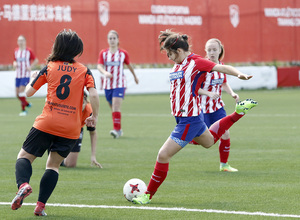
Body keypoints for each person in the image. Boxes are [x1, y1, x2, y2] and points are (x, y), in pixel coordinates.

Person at [132, 30, 257, 205]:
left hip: (189, 120)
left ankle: (147, 195)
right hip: (190, 119)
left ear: (179, 51)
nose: (169, 57)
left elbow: (221, 68)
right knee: (209, 142)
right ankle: (239, 112)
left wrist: (239, 74)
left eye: (170, 54)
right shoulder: (179, 64)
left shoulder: (196, 62)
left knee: (163, 155)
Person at [10, 29, 99, 216]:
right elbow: (93, 94)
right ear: (77, 49)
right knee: (53, 166)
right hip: (71, 128)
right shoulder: (84, 70)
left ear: (57, 46)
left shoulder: (50, 66)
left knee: (24, 157)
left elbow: (28, 93)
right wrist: (95, 116)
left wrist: (34, 78)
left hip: (47, 122)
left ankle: (24, 185)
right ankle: (40, 206)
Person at [195, 38, 240, 172]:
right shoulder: (202, 68)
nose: (212, 52)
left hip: (217, 108)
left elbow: (224, 83)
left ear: (220, 50)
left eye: (214, 49)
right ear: (206, 52)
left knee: (225, 133)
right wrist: (208, 93)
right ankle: (188, 138)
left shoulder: (221, 66)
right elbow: (194, 88)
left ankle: (224, 165)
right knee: (204, 139)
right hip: (202, 108)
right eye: (209, 50)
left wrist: (232, 93)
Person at [97, 30, 139, 139]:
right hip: (108, 85)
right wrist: (105, 72)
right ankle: (119, 129)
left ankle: (116, 130)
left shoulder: (123, 54)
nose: (112, 40)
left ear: (118, 40)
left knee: (116, 106)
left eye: (114, 38)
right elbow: (99, 66)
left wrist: (135, 77)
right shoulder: (104, 53)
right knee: (113, 108)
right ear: (107, 40)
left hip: (120, 84)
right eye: (110, 38)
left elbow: (129, 66)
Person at [62, 91, 102, 168]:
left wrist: (93, 156)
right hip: (62, 129)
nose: (80, 106)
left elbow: (93, 133)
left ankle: (62, 160)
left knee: (71, 165)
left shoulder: (89, 112)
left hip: (77, 130)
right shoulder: (67, 109)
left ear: (86, 101)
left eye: (82, 103)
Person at [13, 35, 39, 116]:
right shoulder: (16, 51)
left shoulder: (28, 51)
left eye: (22, 40)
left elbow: (36, 60)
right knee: (17, 94)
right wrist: (14, 64)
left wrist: (30, 67)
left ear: (25, 41)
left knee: (21, 92)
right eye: (19, 40)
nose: (20, 42)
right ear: (17, 42)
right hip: (18, 75)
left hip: (25, 75)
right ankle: (27, 104)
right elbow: (14, 60)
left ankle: (23, 110)